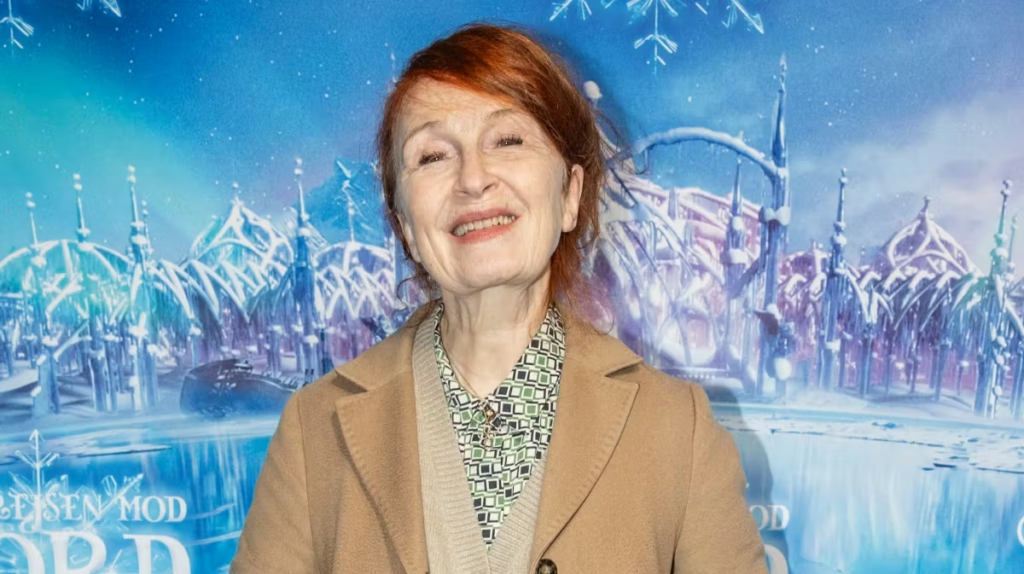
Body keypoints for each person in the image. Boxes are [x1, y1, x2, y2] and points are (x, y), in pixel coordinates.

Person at [231, 23, 768, 574]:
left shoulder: (678, 429)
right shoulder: (312, 432)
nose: (473, 178)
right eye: (432, 156)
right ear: (404, 225)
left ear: (570, 194)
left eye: (507, 141)